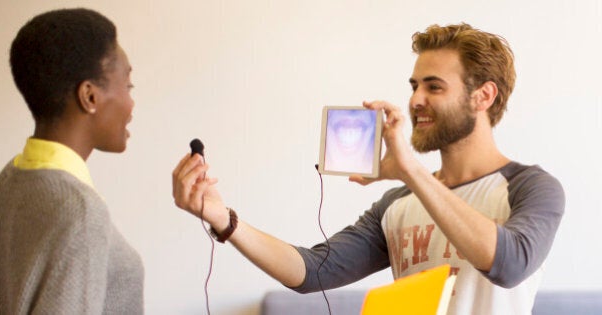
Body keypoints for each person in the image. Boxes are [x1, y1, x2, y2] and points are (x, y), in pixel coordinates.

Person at [172, 23, 565, 314]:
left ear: (483, 95)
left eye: (434, 87)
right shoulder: (397, 204)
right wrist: (223, 219)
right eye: (413, 86)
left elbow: (509, 264)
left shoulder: (531, 187)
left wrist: (412, 171)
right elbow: (312, 272)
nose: (415, 100)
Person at [0, 8, 144, 314]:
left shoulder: (12, 176)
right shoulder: (81, 211)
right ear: (89, 96)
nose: (131, 103)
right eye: (127, 86)